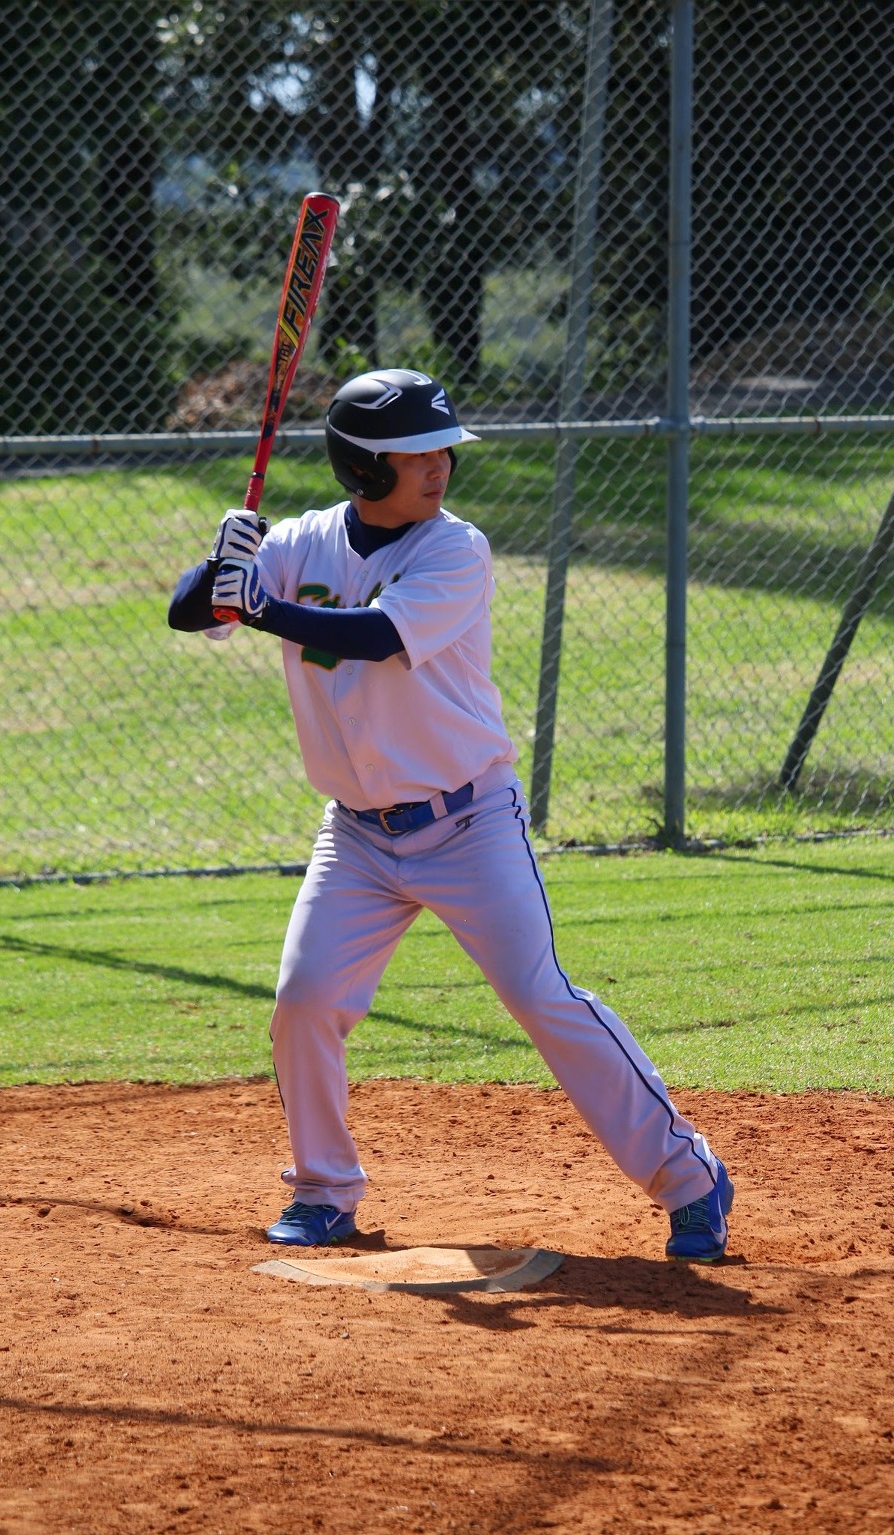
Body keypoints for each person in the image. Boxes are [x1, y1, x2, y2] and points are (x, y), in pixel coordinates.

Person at [168, 367, 733, 1263]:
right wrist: (220, 564)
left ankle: (690, 1178)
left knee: (542, 996)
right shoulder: (304, 541)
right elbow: (186, 614)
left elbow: (379, 637)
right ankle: (323, 1192)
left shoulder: (455, 548)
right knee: (304, 1000)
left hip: (470, 825)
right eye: (417, 454)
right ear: (364, 468)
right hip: (357, 836)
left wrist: (262, 604)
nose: (440, 466)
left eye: (444, 451)